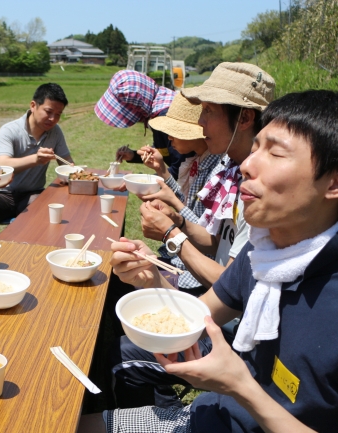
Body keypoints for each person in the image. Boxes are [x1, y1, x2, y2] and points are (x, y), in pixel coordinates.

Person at [86, 89, 338, 433]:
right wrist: (150, 280)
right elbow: (198, 316)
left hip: (231, 408)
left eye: (276, 153)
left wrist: (240, 386)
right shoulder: (264, 249)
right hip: (211, 413)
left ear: (333, 182)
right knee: (75, 424)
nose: (247, 166)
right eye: (254, 150)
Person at [109, 63, 274, 411]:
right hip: (217, 309)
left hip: (236, 335)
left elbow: (231, 284)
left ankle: (159, 414)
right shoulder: (233, 171)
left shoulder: (261, 191)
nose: (199, 124)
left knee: (118, 354)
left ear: (243, 119)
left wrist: (171, 235)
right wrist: (177, 231)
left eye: (208, 112)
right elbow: (217, 242)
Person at [140, 92, 220, 294]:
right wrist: (162, 170)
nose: (168, 138)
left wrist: (175, 205)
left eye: (174, 131)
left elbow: (207, 233)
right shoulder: (200, 160)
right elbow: (189, 201)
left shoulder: (215, 170)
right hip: (181, 258)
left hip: (193, 273)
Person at [0, 83, 74, 222]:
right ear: (33, 105)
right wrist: (36, 159)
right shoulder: (9, 130)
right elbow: (3, 164)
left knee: (44, 209)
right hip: (4, 194)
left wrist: (77, 173)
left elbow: (66, 160)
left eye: (58, 114)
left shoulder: (55, 131)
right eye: (48, 112)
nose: (53, 119)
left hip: (32, 194)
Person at [95, 70, 192, 180]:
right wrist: (134, 155)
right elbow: (164, 149)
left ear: (138, 106)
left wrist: (139, 182)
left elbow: (181, 170)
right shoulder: (159, 102)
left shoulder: (166, 117)